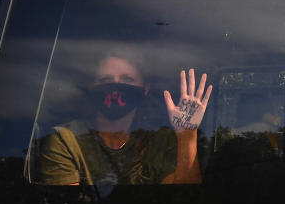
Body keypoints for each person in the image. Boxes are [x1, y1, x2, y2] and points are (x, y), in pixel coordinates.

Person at [39, 50, 213, 187]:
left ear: (144, 89)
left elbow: (183, 200)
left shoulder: (157, 142)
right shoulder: (65, 139)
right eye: (106, 79)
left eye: (127, 79)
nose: (116, 87)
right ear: (92, 87)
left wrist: (186, 134)